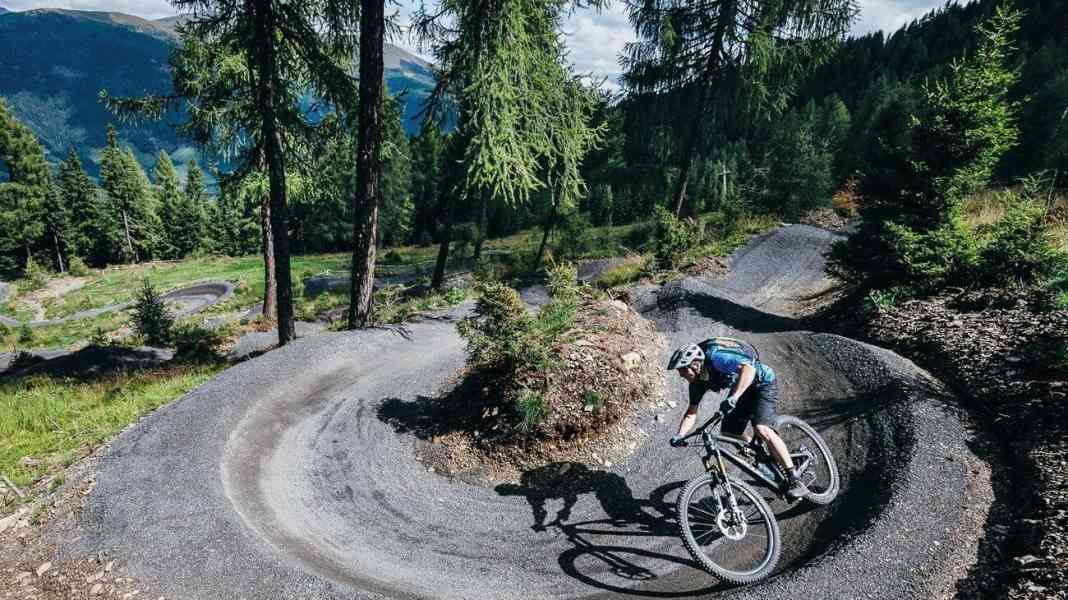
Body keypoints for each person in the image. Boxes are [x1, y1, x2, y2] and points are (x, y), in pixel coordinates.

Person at [666, 340, 809, 500]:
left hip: (762, 383)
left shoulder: (716, 357)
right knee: (729, 432)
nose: (681, 374)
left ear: (695, 363)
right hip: (742, 391)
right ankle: (758, 451)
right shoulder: (696, 384)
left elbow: (748, 369)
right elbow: (691, 413)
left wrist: (734, 397)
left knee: (761, 428)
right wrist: (680, 435)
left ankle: (794, 479)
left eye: (683, 369)